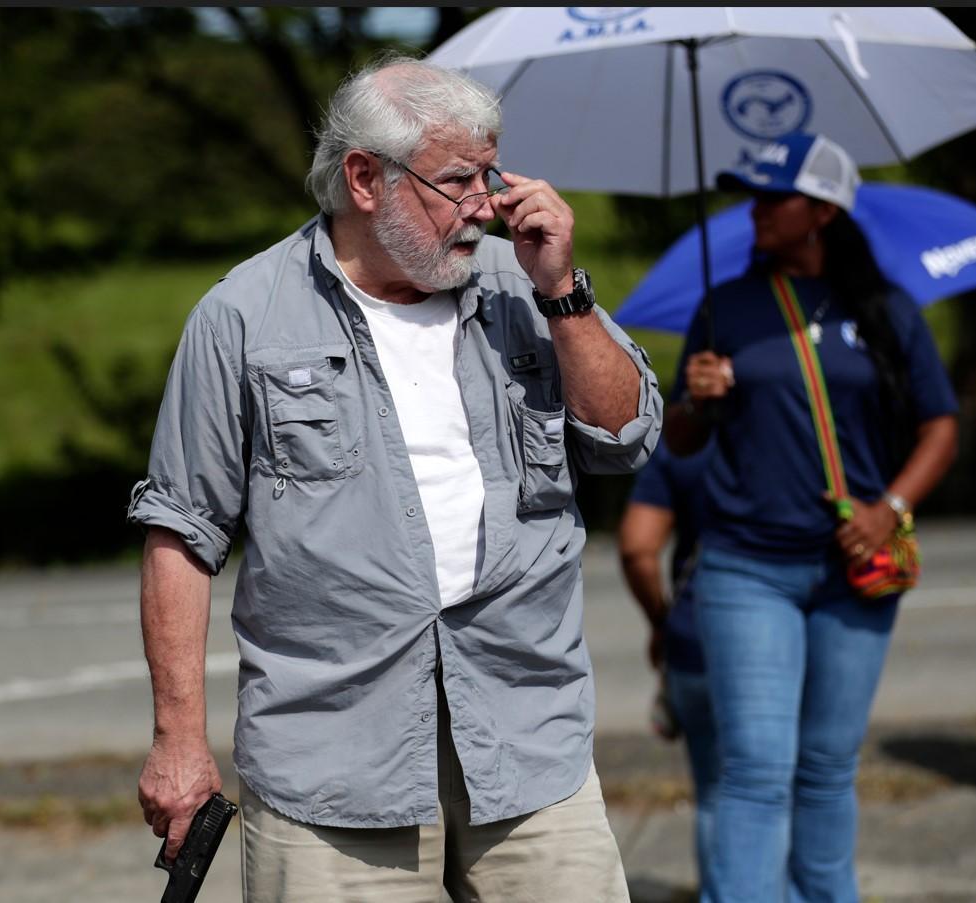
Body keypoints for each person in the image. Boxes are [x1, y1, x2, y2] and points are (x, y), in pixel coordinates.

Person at [126, 53, 662, 903]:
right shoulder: (243, 315)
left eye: (491, 172)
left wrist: (561, 287)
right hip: (332, 765)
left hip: (527, 741)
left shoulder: (525, 284)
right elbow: (181, 537)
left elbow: (624, 435)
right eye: (459, 180)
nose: (487, 204)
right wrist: (178, 741)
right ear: (365, 178)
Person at [662, 133, 959, 903]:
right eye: (751, 196)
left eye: (773, 197)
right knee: (756, 768)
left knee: (827, 768)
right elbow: (679, 436)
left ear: (822, 209)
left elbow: (939, 426)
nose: (754, 211)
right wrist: (696, 395)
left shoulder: (886, 308)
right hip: (745, 569)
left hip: (853, 571)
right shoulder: (723, 305)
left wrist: (888, 508)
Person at [617, 437, 718, 899]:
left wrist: (662, 622)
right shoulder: (801, 414)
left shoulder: (685, 438)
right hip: (804, 632)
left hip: (696, 635)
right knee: (810, 784)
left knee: (718, 796)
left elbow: (639, 548)